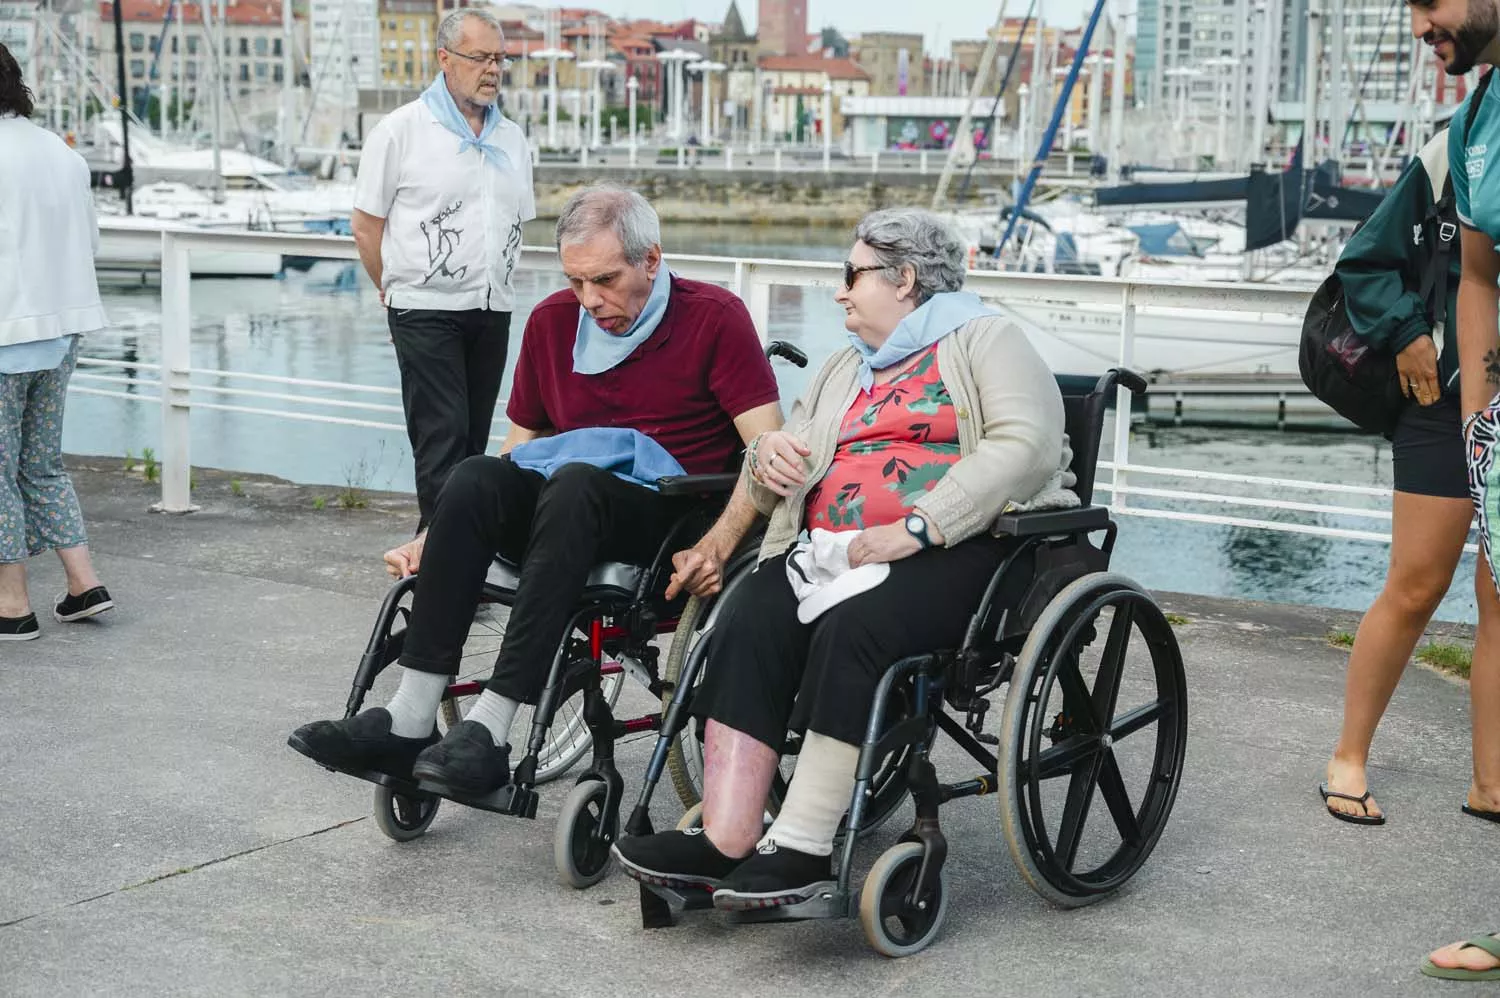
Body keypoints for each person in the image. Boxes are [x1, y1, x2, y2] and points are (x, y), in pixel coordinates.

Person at [611, 208, 1077, 906]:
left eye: (853, 275)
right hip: (833, 551)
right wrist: (768, 456)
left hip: (968, 551)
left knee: (855, 627)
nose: (841, 292)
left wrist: (920, 527)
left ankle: (800, 846)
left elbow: (1026, 447)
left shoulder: (988, 339)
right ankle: (727, 837)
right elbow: (788, 455)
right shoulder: (845, 366)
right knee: (748, 616)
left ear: (907, 279)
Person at [289, 186, 782, 797]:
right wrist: (437, 535)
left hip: (665, 511)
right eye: (576, 282)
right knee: (474, 477)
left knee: (575, 484)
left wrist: (717, 546)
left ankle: (490, 730)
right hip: (565, 509)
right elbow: (517, 454)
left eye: (604, 280)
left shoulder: (715, 316)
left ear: (651, 260)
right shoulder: (553, 322)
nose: (590, 300)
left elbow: (765, 453)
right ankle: (408, 719)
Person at [1319, 120, 1477, 824]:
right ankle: (1347, 757)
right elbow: (1366, 259)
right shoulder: (1465, 139)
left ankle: (1491, 784)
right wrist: (1411, 335)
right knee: (1415, 587)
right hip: (1443, 399)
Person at [352, 7, 535, 532]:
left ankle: (448, 551)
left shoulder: (512, 139)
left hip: (491, 308)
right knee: (442, 439)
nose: (493, 69)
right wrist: (392, 290)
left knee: (473, 444)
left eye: (499, 58)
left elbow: (516, 223)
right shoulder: (401, 131)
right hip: (423, 309)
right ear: (445, 59)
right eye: (480, 57)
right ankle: (441, 566)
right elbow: (366, 225)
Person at [0, 43, 114, 641]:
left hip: (5, 333)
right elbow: (87, 242)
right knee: (41, 465)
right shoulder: (61, 154)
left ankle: (12, 604)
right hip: (60, 331)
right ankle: (82, 583)